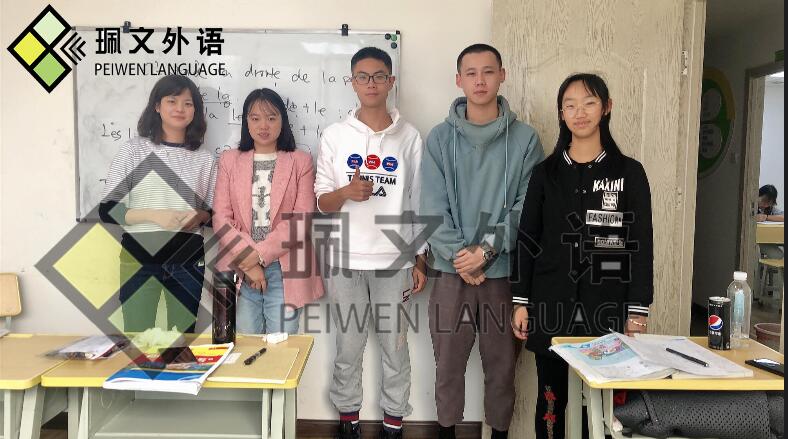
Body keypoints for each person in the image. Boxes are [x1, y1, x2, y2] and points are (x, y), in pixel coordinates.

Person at [510, 73, 654, 439]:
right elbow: (528, 238)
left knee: (602, 404)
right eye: (570, 105)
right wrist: (521, 301)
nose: (580, 112)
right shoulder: (546, 173)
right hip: (551, 303)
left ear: (606, 108)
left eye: (589, 103)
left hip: (607, 305)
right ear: (561, 113)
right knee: (551, 400)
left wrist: (637, 310)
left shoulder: (629, 173)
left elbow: (640, 243)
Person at [420, 43, 544, 439]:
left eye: (488, 71)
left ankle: (500, 434)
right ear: (459, 80)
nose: (480, 80)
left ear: (502, 76)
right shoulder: (440, 139)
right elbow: (431, 206)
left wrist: (486, 252)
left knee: (502, 367)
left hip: (503, 273)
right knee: (447, 366)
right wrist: (463, 257)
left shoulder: (525, 139)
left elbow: (528, 207)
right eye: (471, 73)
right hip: (450, 272)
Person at [314, 47, 427, 439]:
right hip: (344, 259)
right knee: (348, 345)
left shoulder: (410, 136)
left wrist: (420, 258)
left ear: (391, 81)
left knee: (395, 345)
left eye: (379, 76)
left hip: (395, 261)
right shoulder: (335, 135)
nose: (371, 84)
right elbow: (321, 202)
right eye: (362, 76)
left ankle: (394, 422)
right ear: (352, 82)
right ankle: (349, 420)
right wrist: (346, 192)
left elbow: (417, 201)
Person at [100, 74, 214, 334]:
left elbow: (214, 213)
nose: (180, 109)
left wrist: (198, 216)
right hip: (139, 260)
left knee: (182, 344)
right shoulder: (133, 150)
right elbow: (107, 210)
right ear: (157, 106)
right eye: (172, 101)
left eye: (188, 103)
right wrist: (154, 215)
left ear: (195, 111)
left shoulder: (204, 159)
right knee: (138, 341)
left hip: (187, 261)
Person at [212, 88, 324, 335]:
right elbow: (221, 217)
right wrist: (248, 260)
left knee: (281, 344)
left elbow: (301, 219)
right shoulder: (229, 160)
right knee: (244, 343)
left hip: (285, 267)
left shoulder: (300, 161)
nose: (264, 125)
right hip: (239, 266)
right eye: (255, 118)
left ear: (282, 121)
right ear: (246, 121)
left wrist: (259, 256)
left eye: (271, 118)